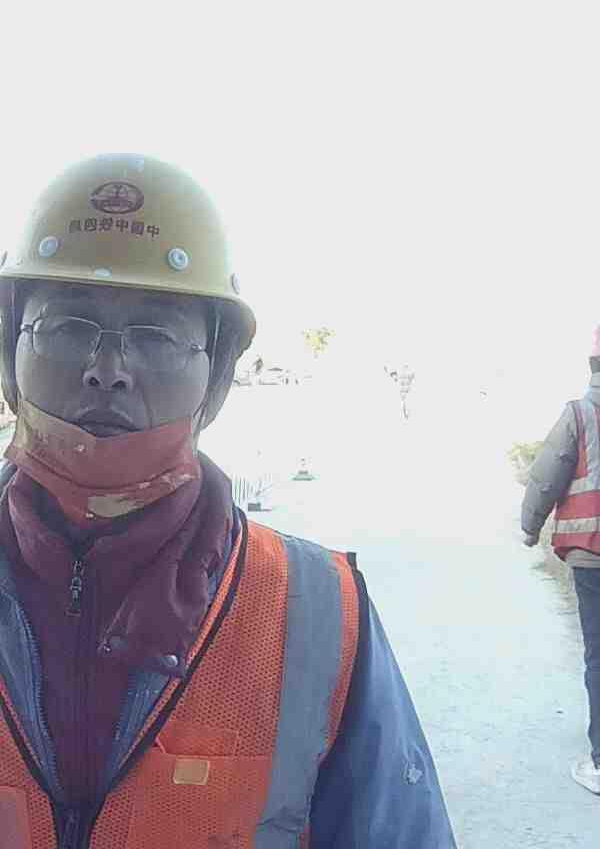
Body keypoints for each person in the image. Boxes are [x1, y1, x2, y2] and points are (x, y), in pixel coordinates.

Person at [0, 154, 456, 848]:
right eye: (67, 327)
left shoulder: (317, 614)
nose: (106, 371)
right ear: (10, 351)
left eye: (155, 336)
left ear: (216, 373)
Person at [521, 330, 600, 795]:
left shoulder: (579, 414)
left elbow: (547, 475)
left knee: (599, 653)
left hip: (592, 555)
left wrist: (530, 527)